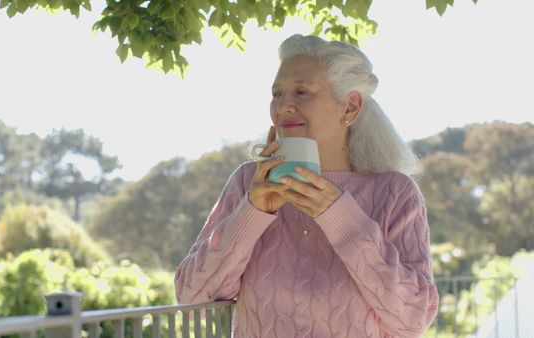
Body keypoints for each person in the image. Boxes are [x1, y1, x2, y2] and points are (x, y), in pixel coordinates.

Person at [174, 34, 438, 337]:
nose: (283, 106)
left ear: (350, 107)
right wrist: (253, 211)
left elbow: (413, 319)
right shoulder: (249, 182)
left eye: (301, 92)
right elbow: (192, 297)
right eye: (276, 94)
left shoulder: (394, 192)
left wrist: (340, 217)